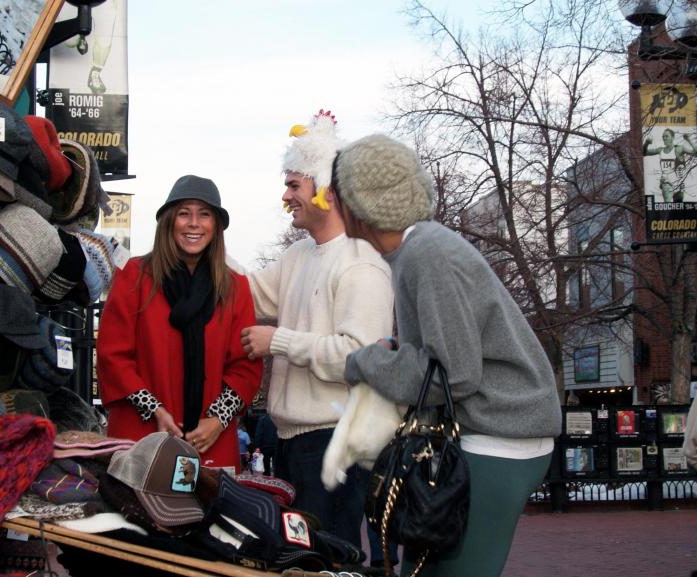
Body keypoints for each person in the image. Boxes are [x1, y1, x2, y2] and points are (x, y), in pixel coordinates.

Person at [331, 133, 562, 577]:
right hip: (492, 434)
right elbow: (450, 353)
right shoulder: (416, 249)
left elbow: (453, 376)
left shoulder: (427, 254)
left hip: (498, 438)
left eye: (335, 192)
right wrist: (399, 352)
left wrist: (365, 362)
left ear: (356, 204)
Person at [240, 110, 394, 549]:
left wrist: (280, 342)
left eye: (294, 185)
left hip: (334, 444)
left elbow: (362, 358)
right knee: (299, 555)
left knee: (328, 556)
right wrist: (206, 251)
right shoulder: (298, 255)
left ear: (325, 190)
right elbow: (245, 293)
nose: (286, 195)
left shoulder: (362, 262)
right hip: (292, 443)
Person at [97, 175, 262, 471]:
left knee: (207, 515)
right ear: (169, 221)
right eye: (184, 213)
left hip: (210, 440)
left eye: (205, 214)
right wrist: (153, 409)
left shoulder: (235, 287)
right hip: (143, 432)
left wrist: (218, 419)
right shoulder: (135, 276)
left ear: (216, 226)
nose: (194, 223)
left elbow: (245, 366)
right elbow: (113, 355)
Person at [643, 128, 697, 202]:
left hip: (679, 183)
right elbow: (644, 152)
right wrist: (647, 143)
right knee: (668, 204)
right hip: (666, 182)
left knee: (678, 209)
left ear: (672, 137)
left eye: (666, 136)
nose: (664, 138)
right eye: (663, 137)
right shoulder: (660, 150)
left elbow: (695, 153)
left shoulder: (679, 149)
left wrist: (689, 140)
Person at [253, 412, 278, 476]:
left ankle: (267, 480)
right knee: (277, 466)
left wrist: (257, 446)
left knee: (266, 465)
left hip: (265, 446)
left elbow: (258, 433)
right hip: (277, 444)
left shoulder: (263, 419)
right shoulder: (278, 419)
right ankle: (277, 480)